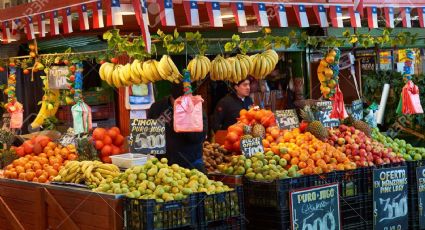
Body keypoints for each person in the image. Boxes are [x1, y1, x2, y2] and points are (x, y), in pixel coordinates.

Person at [147, 83, 207, 172]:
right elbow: (150, 140)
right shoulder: (157, 108)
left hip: (192, 166)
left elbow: (198, 138)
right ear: (171, 98)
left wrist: (185, 118)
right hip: (164, 167)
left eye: (184, 102)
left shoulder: (195, 108)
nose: (182, 105)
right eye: (178, 102)